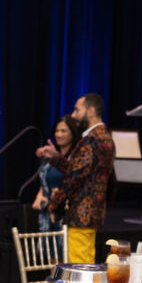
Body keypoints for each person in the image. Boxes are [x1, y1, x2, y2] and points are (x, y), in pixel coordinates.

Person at [36, 93, 115, 263]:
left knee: (79, 271)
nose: (74, 114)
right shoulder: (104, 137)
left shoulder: (92, 140)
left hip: (81, 216)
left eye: (77, 109)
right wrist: (55, 157)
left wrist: (53, 204)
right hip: (89, 216)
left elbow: (73, 178)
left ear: (91, 111)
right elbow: (79, 170)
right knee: (83, 266)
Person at [31, 115, 81, 231]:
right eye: (57, 131)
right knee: (46, 247)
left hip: (65, 213)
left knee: (63, 247)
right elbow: (45, 180)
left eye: (63, 131)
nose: (58, 134)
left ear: (73, 133)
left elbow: (76, 179)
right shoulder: (50, 156)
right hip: (46, 213)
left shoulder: (76, 158)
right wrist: (40, 195)